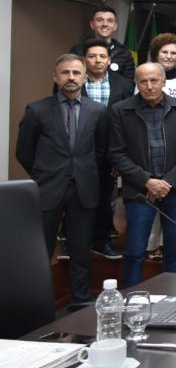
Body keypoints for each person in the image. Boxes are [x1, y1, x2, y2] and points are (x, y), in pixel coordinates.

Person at [16, 54, 110, 308]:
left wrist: (82, 170)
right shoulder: (37, 110)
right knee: (40, 252)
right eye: (65, 73)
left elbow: (100, 151)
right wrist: (43, 175)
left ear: (84, 78)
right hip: (48, 190)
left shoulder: (98, 111)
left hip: (84, 190)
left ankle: (80, 301)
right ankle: (37, 305)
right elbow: (23, 152)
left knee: (80, 252)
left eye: (76, 73)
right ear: (55, 77)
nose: (71, 77)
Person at [108, 63, 176, 286]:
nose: (149, 86)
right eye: (143, 82)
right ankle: (132, 298)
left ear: (163, 82)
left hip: (174, 190)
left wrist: (167, 182)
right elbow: (117, 153)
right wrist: (147, 181)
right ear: (136, 84)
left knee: (175, 248)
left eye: (154, 80)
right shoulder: (120, 110)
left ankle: (173, 296)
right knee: (135, 251)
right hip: (139, 190)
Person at [80, 37, 133, 260]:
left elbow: (128, 123)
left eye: (102, 56)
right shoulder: (75, 82)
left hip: (110, 153)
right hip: (80, 152)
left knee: (104, 199)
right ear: (85, 59)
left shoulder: (124, 85)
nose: (97, 60)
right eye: (92, 56)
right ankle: (76, 243)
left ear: (109, 60)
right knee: (77, 199)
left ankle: (101, 241)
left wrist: (121, 158)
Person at [70, 4, 135, 82]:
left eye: (110, 21)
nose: (105, 24)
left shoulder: (125, 53)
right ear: (92, 25)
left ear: (115, 26)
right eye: (99, 20)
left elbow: (129, 83)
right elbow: (71, 77)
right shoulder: (78, 51)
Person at [148, 33, 176, 103]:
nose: (169, 56)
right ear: (156, 55)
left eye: (173, 53)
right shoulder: (145, 80)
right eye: (164, 52)